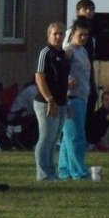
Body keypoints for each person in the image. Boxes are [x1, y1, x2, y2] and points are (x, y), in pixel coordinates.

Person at [34, 22, 72, 181]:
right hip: (46, 102)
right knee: (46, 138)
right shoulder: (46, 53)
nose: (58, 36)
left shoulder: (63, 55)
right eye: (55, 34)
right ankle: (43, 174)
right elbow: (39, 78)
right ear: (49, 35)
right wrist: (49, 100)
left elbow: (63, 81)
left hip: (61, 102)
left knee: (54, 139)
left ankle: (51, 172)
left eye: (61, 34)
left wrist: (67, 102)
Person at [58, 18, 92, 180]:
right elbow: (57, 70)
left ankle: (65, 170)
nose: (83, 38)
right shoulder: (68, 51)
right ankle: (79, 172)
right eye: (80, 34)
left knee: (68, 138)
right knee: (76, 137)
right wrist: (65, 83)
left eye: (86, 35)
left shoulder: (83, 51)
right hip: (72, 98)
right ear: (72, 33)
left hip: (82, 98)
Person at [65, 0, 98, 137]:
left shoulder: (89, 40)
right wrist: (66, 80)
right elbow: (62, 59)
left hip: (84, 81)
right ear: (78, 11)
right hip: (73, 90)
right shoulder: (70, 34)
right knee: (74, 133)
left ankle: (88, 136)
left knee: (92, 100)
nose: (89, 12)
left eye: (91, 9)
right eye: (85, 9)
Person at [6, 79, 38, 148]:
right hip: (15, 116)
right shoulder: (32, 90)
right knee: (40, 120)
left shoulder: (35, 89)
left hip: (25, 116)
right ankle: (34, 144)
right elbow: (37, 109)